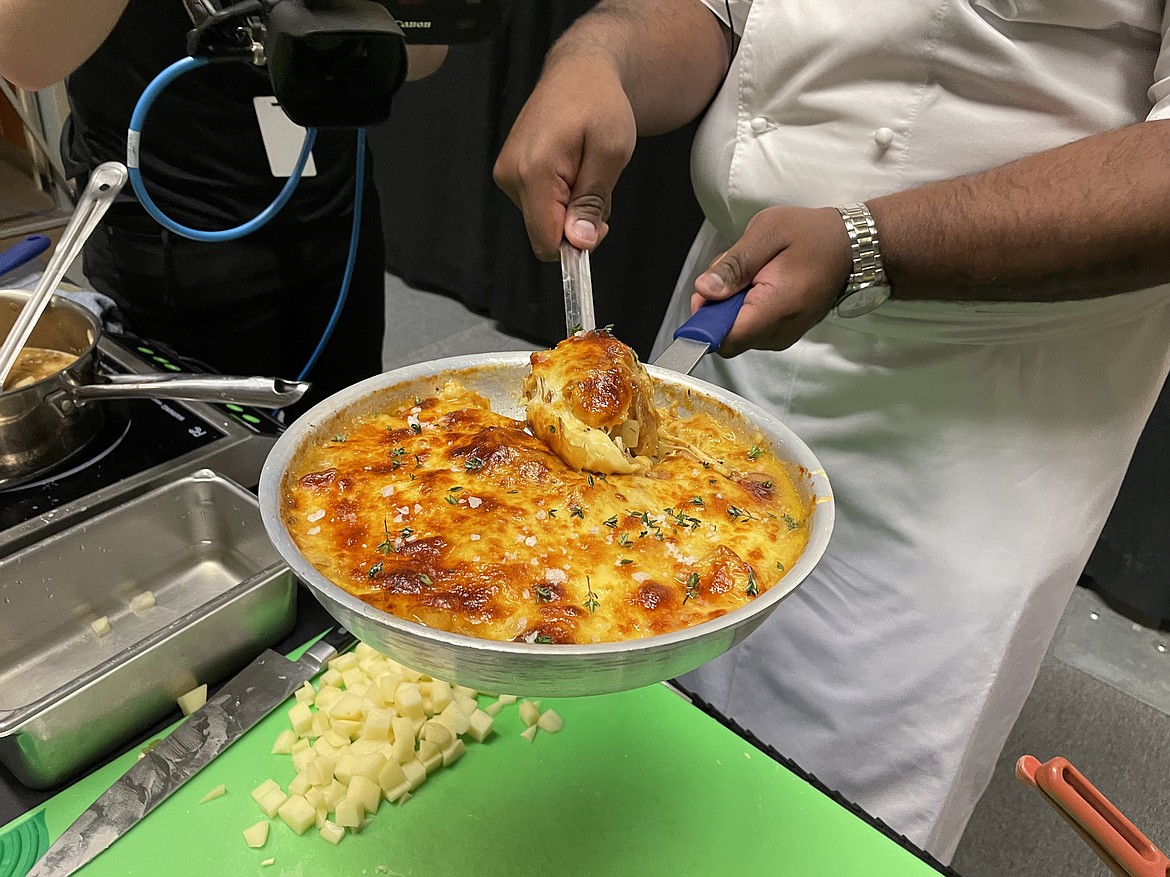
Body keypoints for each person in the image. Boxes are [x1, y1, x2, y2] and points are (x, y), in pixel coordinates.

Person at [494, 0, 1170, 862]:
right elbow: (725, 13)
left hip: (971, 418)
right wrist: (602, 52)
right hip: (728, 328)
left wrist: (866, 244)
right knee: (612, 755)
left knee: (820, 825)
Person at [0, 0, 447, 414]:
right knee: (213, 444)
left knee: (353, 427)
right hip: (174, 222)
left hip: (335, 203)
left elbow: (426, 52)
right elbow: (25, 56)